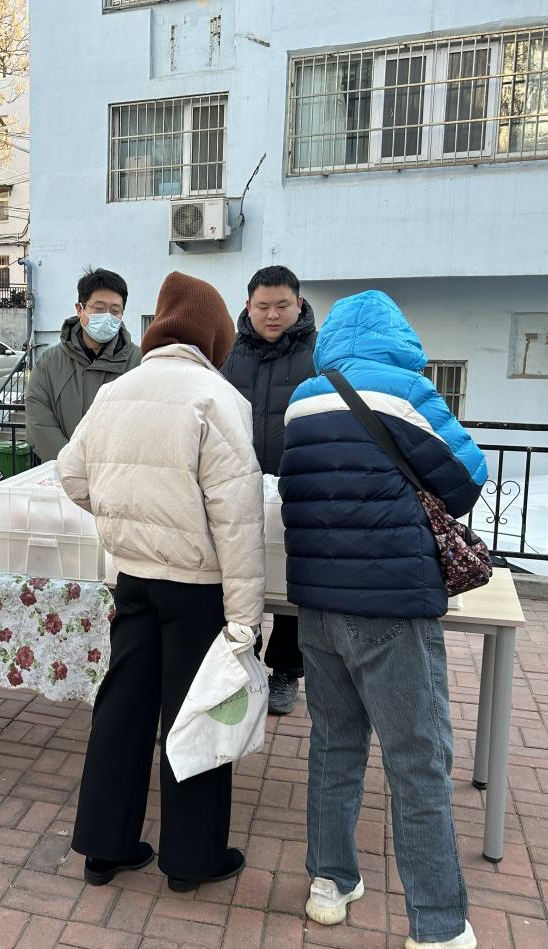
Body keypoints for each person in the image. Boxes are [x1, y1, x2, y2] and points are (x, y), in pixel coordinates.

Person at [279, 290, 486, 949]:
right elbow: (465, 480)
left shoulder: (303, 398)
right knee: (417, 758)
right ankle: (438, 924)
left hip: (316, 602)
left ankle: (329, 883)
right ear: (399, 337)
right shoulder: (403, 390)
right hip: (392, 605)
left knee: (334, 745)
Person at [59, 271, 266, 892]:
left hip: (133, 581)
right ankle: (191, 859)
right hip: (197, 587)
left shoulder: (116, 391)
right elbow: (238, 520)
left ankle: (105, 848)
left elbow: (71, 477)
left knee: (121, 711)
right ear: (212, 335)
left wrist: (129, 519)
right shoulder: (216, 397)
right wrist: (246, 619)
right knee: (195, 713)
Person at [221, 265, 316, 715]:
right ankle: (246, 662)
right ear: (248, 307)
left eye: (282, 305)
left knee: (290, 581)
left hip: (298, 485)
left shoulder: (317, 353)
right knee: (242, 578)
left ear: (298, 305)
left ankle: (285, 671)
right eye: (263, 306)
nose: (273, 315)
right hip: (238, 486)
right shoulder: (230, 351)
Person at [25, 267, 141, 462]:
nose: (107, 317)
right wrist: (72, 465)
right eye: (99, 308)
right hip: (62, 478)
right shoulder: (49, 363)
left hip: (119, 477)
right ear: (80, 309)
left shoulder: (138, 363)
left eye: (115, 311)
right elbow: (39, 422)